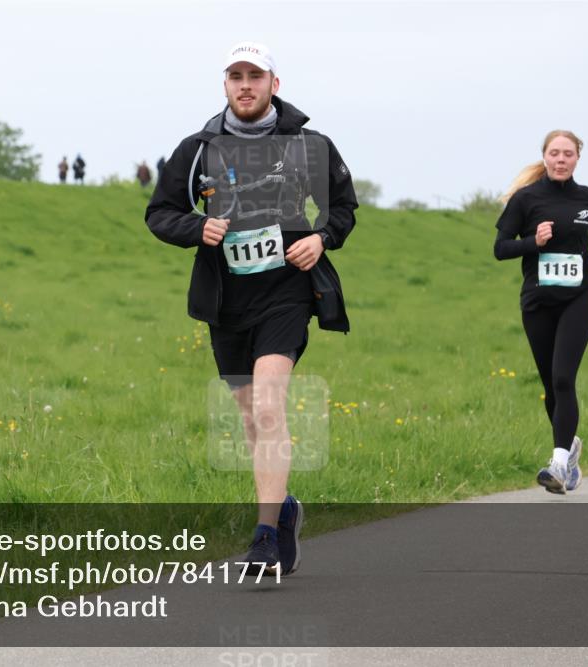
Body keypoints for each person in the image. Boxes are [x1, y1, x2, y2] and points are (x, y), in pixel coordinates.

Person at [145, 42, 357, 574]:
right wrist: (198, 226)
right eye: (236, 75)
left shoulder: (310, 144)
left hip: (287, 290)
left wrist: (323, 239)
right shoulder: (198, 148)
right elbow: (161, 212)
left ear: (273, 85)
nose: (245, 84)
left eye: (255, 76)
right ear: (225, 85)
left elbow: (343, 207)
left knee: (268, 405)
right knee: (248, 416)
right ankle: (283, 508)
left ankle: (263, 537)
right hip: (226, 297)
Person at [494, 130, 588, 494]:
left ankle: (556, 463)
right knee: (550, 387)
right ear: (544, 156)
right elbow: (501, 248)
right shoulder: (526, 200)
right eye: (554, 153)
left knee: (563, 378)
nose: (560, 159)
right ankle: (570, 451)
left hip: (579, 298)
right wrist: (532, 243)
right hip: (537, 302)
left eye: (568, 154)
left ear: (577, 159)